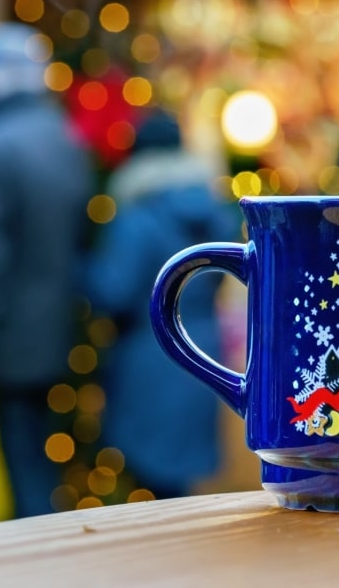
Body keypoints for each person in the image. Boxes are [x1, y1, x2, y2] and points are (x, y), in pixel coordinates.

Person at [0, 22, 93, 518]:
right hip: (56, 329)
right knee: (37, 460)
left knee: (15, 468)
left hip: (4, 339)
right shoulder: (63, 140)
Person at [83, 108, 238, 500]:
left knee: (152, 478)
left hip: (150, 350)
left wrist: (78, 267)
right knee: (179, 479)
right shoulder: (214, 211)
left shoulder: (139, 215)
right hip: (204, 346)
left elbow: (114, 291)